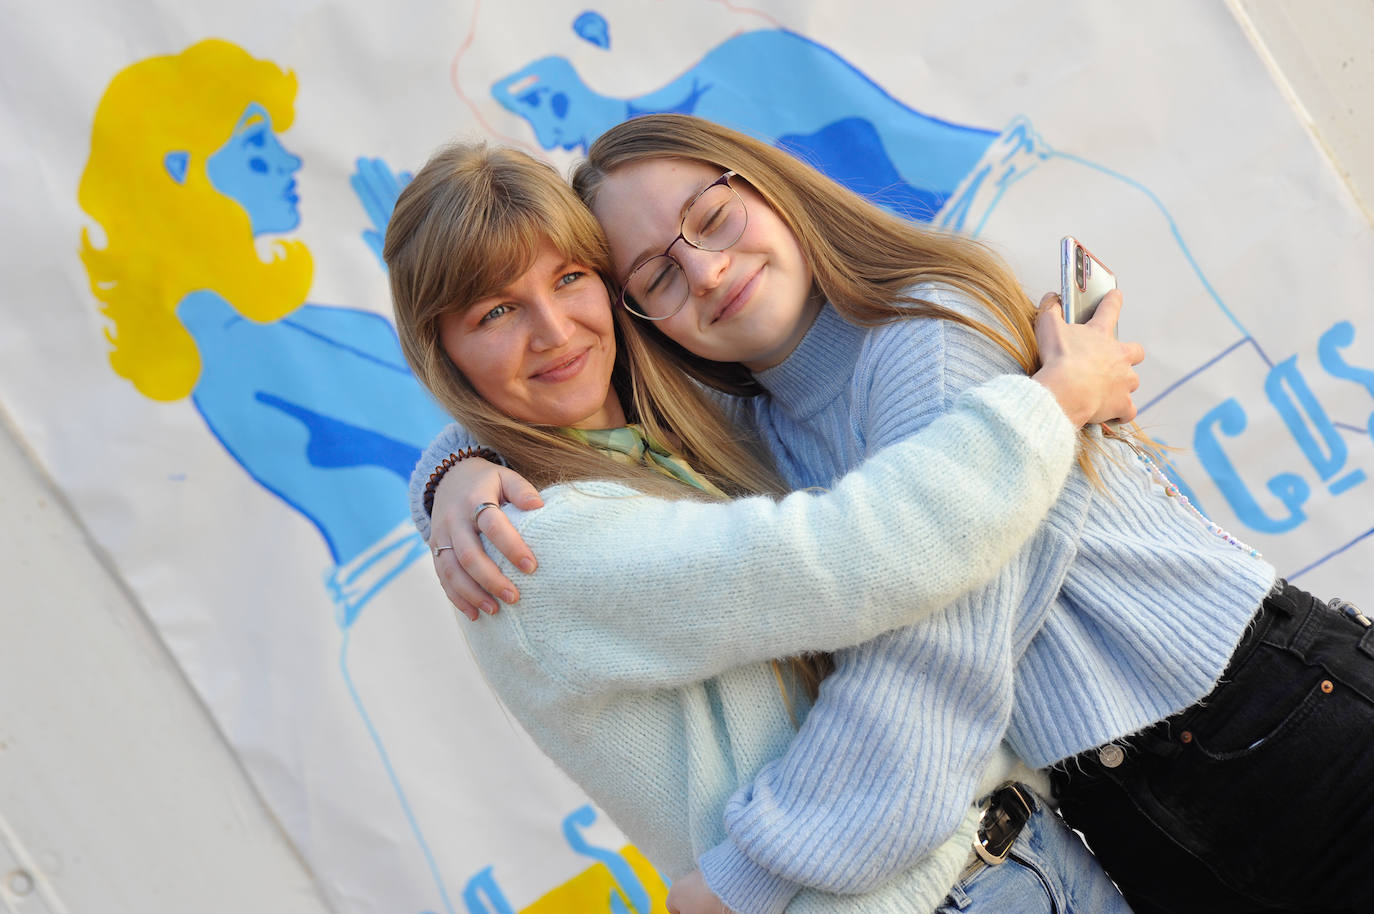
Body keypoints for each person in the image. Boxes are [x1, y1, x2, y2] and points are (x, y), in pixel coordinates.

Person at [422, 115, 1374, 914]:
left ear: (771, 187)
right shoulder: (755, 427)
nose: (706, 272)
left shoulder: (922, 336)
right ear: (644, 320)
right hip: (1129, 805)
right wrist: (456, 466)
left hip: (1272, 736)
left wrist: (748, 874)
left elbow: (933, 662)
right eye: (657, 278)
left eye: (712, 217)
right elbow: (545, 405)